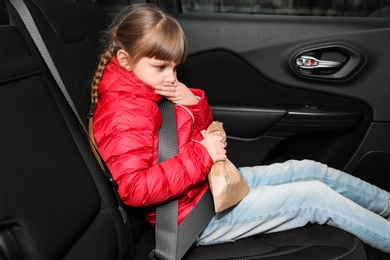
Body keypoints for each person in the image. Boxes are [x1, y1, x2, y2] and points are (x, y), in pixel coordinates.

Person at [90, 4, 390, 253]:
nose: (171, 76)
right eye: (161, 67)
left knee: (310, 169)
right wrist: (202, 156)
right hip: (195, 217)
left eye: (175, 67)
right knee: (314, 197)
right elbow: (134, 189)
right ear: (125, 61)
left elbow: (202, 134)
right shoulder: (123, 113)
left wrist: (192, 103)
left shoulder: (153, 92)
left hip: (208, 187)